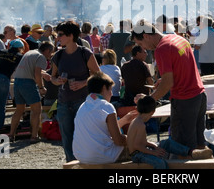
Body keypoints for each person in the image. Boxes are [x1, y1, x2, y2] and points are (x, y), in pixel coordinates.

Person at [131, 20, 208, 152]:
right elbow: (182, 67)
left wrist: (148, 100)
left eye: (140, 43)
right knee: (200, 146)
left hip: (185, 100)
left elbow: (168, 83)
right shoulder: (178, 38)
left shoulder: (161, 49)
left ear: (146, 36)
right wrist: (165, 79)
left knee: (183, 150)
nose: (143, 48)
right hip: (199, 96)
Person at [50, 20, 100, 162]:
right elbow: (52, 78)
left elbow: (98, 74)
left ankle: (86, 163)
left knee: (84, 135)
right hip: (63, 101)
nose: (57, 38)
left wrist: (83, 83)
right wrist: (57, 81)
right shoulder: (58, 56)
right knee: (66, 138)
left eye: (60, 35)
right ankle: (71, 164)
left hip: (83, 101)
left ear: (71, 35)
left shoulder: (85, 53)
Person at [127, 94, 213, 169]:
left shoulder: (137, 121)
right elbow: (137, 146)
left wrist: (153, 146)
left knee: (167, 143)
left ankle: (191, 152)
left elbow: (141, 142)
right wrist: (153, 152)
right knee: (161, 163)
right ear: (152, 112)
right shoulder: (140, 125)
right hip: (137, 155)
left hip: (142, 150)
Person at [72, 71, 136, 164]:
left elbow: (101, 130)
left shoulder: (83, 106)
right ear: (103, 88)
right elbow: (118, 140)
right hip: (102, 156)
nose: (111, 94)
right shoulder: (106, 106)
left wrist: (125, 120)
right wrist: (133, 139)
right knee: (141, 148)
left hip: (81, 156)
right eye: (110, 90)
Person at [9, 41, 54, 143]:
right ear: (47, 50)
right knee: (37, 109)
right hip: (28, 83)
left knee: (19, 110)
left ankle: (11, 135)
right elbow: (37, 73)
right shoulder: (41, 57)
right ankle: (34, 136)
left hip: (17, 82)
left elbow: (32, 69)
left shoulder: (30, 52)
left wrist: (44, 74)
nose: (51, 55)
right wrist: (41, 87)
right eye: (51, 52)